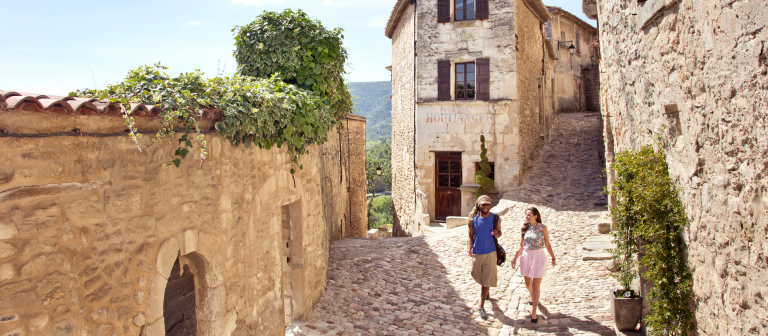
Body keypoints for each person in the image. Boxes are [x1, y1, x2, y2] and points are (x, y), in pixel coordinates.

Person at [511, 207, 556, 323]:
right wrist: (515, 259)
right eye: (526, 215)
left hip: (539, 257)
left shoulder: (542, 228)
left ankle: (534, 312)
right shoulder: (524, 228)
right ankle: (532, 295)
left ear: (536, 216)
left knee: (536, 286)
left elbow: (547, 244)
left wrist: (553, 257)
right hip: (526, 257)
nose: (527, 217)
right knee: (527, 284)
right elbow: (521, 246)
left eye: (529, 215)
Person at [467, 195, 502, 319]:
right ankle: (486, 289)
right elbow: (470, 236)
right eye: (483, 204)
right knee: (475, 273)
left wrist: (497, 233)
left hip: (490, 252)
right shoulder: (473, 220)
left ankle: (481, 306)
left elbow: (499, 233)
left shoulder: (496, 218)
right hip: (478, 252)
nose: (486, 207)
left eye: (488, 204)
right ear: (479, 205)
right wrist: (469, 247)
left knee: (486, 280)